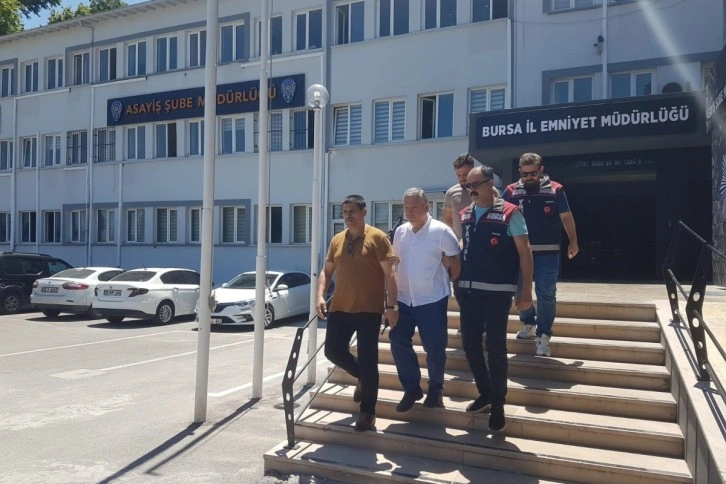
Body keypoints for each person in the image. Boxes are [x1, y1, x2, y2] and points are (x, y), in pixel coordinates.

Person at [458, 165, 533, 433]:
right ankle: (486, 392)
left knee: (496, 347)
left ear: (491, 184)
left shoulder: (511, 213)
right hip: (468, 291)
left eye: (475, 184)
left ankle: (499, 404)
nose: (471, 190)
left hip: (498, 292)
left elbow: (525, 252)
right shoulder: (465, 214)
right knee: (470, 344)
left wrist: (526, 290)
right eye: (467, 186)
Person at [316, 194, 398, 432]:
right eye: (345, 212)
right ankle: (362, 377)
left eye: (352, 211)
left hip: (369, 310)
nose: (348, 216)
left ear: (364, 212)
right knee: (332, 351)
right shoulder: (337, 240)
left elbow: (390, 274)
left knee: (369, 361)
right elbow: (326, 271)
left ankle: (367, 413)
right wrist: (320, 295)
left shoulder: (378, 238)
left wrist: (391, 307)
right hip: (340, 307)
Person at [390, 188, 460, 412]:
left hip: (432, 300)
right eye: (406, 207)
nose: (409, 212)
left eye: (414, 208)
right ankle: (411, 389)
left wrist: (444, 280)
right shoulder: (400, 232)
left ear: (426, 207)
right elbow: (394, 265)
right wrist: (390, 302)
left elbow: (455, 264)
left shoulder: (441, 231)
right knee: (397, 340)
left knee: (435, 348)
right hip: (404, 299)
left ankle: (436, 391)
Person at [502, 152, 579, 358]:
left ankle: (544, 335)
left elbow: (566, 216)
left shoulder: (556, 189)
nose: (529, 177)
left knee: (546, 293)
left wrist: (573, 241)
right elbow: (500, 217)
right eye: (525, 174)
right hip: (518, 253)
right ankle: (528, 322)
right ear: (520, 172)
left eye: (533, 173)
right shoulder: (510, 191)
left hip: (547, 252)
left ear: (541, 170)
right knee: (519, 291)